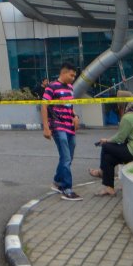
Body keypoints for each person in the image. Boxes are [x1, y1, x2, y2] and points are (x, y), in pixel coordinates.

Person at [89, 101, 133, 196]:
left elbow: (120, 138)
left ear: (126, 108)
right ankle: (109, 188)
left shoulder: (127, 117)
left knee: (105, 146)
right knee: (109, 159)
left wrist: (106, 140)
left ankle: (101, 171)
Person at [41, 62, 82, 201]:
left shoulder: (70, 87)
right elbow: (44, 106)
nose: (73, 78)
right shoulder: (51, 87)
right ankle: (67, 188)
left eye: (74, 76)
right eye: (71, 75)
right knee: (65, 156)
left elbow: (70, 105)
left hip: (69, 126)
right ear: (63, 73)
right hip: (57, 126)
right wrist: (46, 127)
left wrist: (75, 116)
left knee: (68, 156)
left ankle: (57, 181)